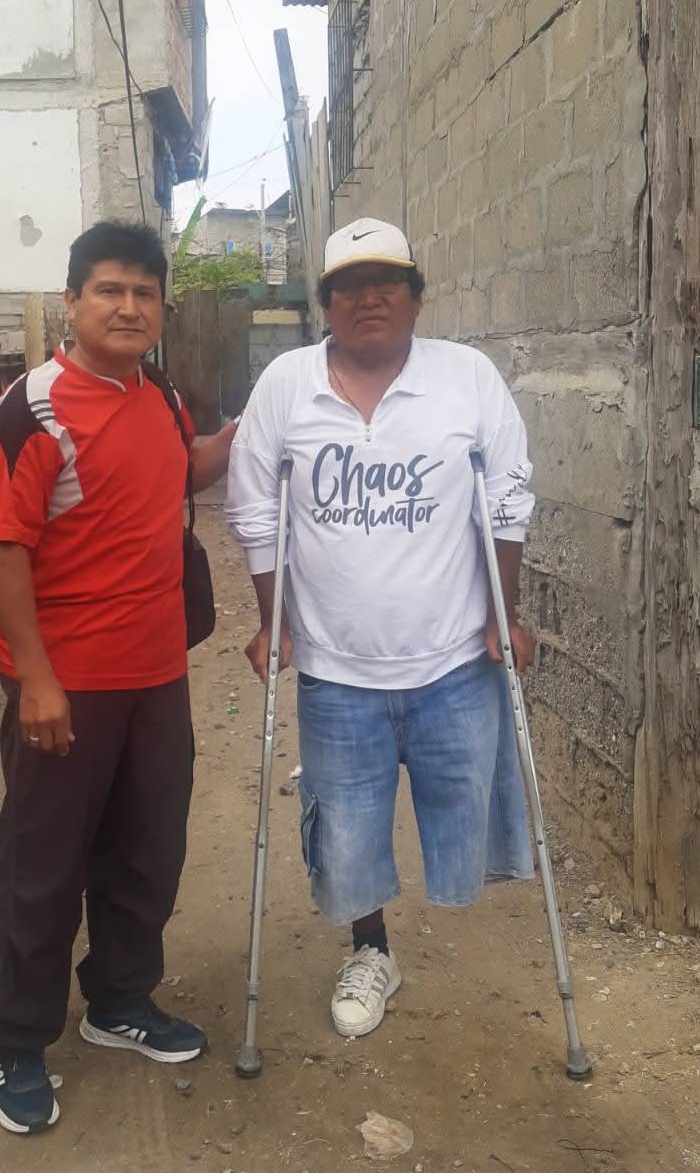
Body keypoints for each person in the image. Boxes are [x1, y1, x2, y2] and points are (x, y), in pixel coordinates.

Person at [225, 218, 536, 1041]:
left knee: (468, 821)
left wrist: (505, 615)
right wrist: (271, 619)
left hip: (454, 661)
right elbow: (255, 509)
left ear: (416, 297)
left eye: (386, 282)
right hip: (336, 669)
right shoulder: (287, 386)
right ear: (325, 304)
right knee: (348, 835)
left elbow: (505, 501)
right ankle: (371, 951)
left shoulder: (466, 378)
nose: (368, 299)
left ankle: (459, 922)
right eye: (348, 287)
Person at [0, 221, 236, 1134]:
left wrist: (248, 432)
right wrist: (37, 680)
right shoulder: (33, 410)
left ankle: (120, 1001)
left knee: (146, 849)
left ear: (161, 307)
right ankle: (16, 1037)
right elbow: (2, 546)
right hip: (67, 683)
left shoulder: (159, 395)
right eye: (109, 291)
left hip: (157, 675)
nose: (128, 308)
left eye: (144, 294)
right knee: (43, 865)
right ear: (74, 301)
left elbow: (179, 474)